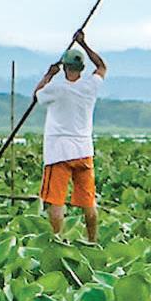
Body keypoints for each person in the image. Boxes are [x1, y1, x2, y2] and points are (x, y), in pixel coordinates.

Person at [33, 30, 107, 242]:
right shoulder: (90, 86)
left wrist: (49, 75)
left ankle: (57, 240)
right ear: (82, 68)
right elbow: (101, 66)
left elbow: (37, 95)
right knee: (88, 202)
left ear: (65, 67)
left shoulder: (55, 88)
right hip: (84, 151)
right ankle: (92, 240)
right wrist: (83, 44)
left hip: (58, 152)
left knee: (56, 202)